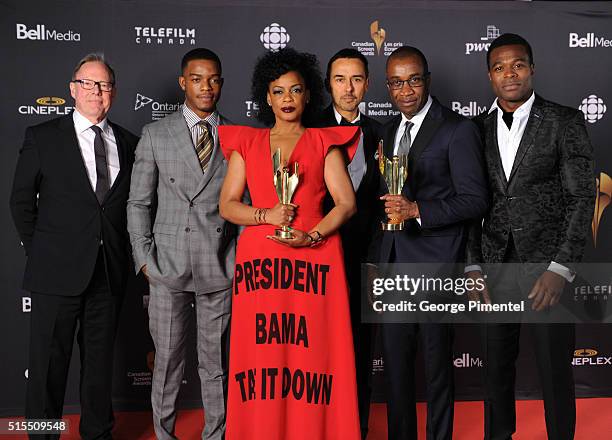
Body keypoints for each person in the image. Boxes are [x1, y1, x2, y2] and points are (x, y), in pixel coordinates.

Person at [218, 47, 361, 439]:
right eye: (278, 92)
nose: (287, 99)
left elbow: (347, 204)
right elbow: (228, 206)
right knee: (263, 357)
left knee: (312, 357)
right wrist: (266, 215)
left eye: (295, 91)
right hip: (261, 264)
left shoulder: (323, 143)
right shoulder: (246, 143)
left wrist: (311, 236)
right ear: (267, 97)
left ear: (309, 95)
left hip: (315, 260)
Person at [466, 33, 595, 440]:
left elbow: (582, 198)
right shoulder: (475, 129)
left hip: (548, 271)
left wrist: (560, 268)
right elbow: (471, 204)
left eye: (518, 64)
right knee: (495, 377)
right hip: (494, 269)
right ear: (489, 75)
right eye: (500, 67)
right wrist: (473, 264)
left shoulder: (564, 121)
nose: (510, 74)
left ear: (532, 68)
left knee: (555, 374)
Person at [9, 53, 138, 439]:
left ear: (113, 92)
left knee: (99, 369)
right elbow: (20, 203)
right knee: (48, 368)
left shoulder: (130, 144)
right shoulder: (43, 136)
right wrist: (44, 253)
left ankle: (98, 434)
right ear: (72, 89)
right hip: (55, 275)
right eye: (87, 83)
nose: (95, 92)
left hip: (107, 274)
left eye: (104, 85)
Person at [371, 46, 489, 440]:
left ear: (428, 80)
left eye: (414, 80)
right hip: (393, 268)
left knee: (437, 371)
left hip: (438, 265)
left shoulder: (458, 128)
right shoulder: (387, 132)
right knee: (397, 372)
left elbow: (475, 200)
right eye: (397, 82)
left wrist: (418, 209)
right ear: (388, 86)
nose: (406, 90)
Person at [127, 48, 235, 440]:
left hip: (219, 267)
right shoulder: (156, 134)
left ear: (221, 82)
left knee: (215, 364)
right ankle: (164, 435)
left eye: (213, 79)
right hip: (167, 266)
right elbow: (139, 202)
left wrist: (235, 261)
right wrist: (144, 260)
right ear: (182, 82)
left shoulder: (238, 136)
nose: (206, 87)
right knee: (168, 360)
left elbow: (245, 206)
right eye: (197, 79)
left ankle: (215, 435)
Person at [311, 47, 381, 439]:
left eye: (356, 79)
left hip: (364, 261)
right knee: (318, 350)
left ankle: (358, 428)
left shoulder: (382, 134)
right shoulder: (309, 129)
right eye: (340, 79)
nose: (349, 88)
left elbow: (382, 203)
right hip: (317, 259)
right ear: (328, 84)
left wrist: (374, 259)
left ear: (367, 84)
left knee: (359, 349)